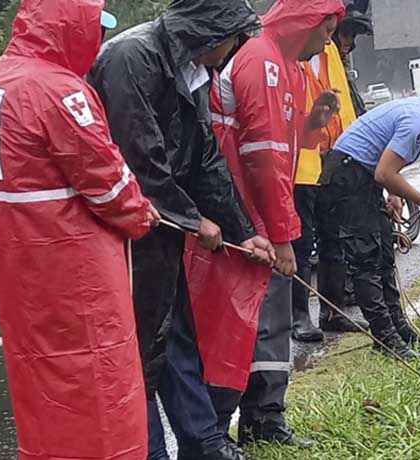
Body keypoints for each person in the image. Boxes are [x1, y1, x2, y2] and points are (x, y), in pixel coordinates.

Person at [88, 2, 275, 459]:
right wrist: (194, 220)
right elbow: (140, 161)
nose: (234, 49)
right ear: (211, 32)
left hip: (161, 227)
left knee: (175, 334)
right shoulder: (131, 59)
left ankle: (204, 441)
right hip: (124, 230)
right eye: (233, 38)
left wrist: (242, 229)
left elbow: (204, 157)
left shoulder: (191, 69)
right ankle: (149, 449)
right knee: (139, 346)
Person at [0, 3, 157, 459]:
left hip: (25, 274)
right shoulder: (57, 91)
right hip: (78, 278)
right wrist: (140, 214)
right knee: (99, 388)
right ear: (71, 27)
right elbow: (109, 182)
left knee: (42, 389)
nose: (96, 41)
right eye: (94, 29)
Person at [200, 0, 344, 448]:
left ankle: (265, 418)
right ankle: (215, 431)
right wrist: (281, 236)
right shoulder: (261, 59)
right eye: (327, 32)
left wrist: (313, 124)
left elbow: (283, 141)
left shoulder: (289, 68)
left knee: (270, 322)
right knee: (237, 324)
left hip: (259, 213)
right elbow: (262, 156)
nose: (328, 42)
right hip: (241, 218)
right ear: (307, 23)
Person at [318, 73, 420, 359]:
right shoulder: (419, 119)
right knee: (366, 258)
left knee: (384, 252)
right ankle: (386, 340)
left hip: (363, 174)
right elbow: (384, 172)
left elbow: (385, 165)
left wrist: (394, 193)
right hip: (347, 174)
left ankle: (398, 328)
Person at [292, 0, 369, 342]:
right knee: (301, 241)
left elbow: (347, 107)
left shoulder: (331, 54)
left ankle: (332, 310)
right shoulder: (293, 52)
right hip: (303, 161)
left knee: (333, 237)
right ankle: (298, 317)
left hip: (334, 158)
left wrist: (353, 153)